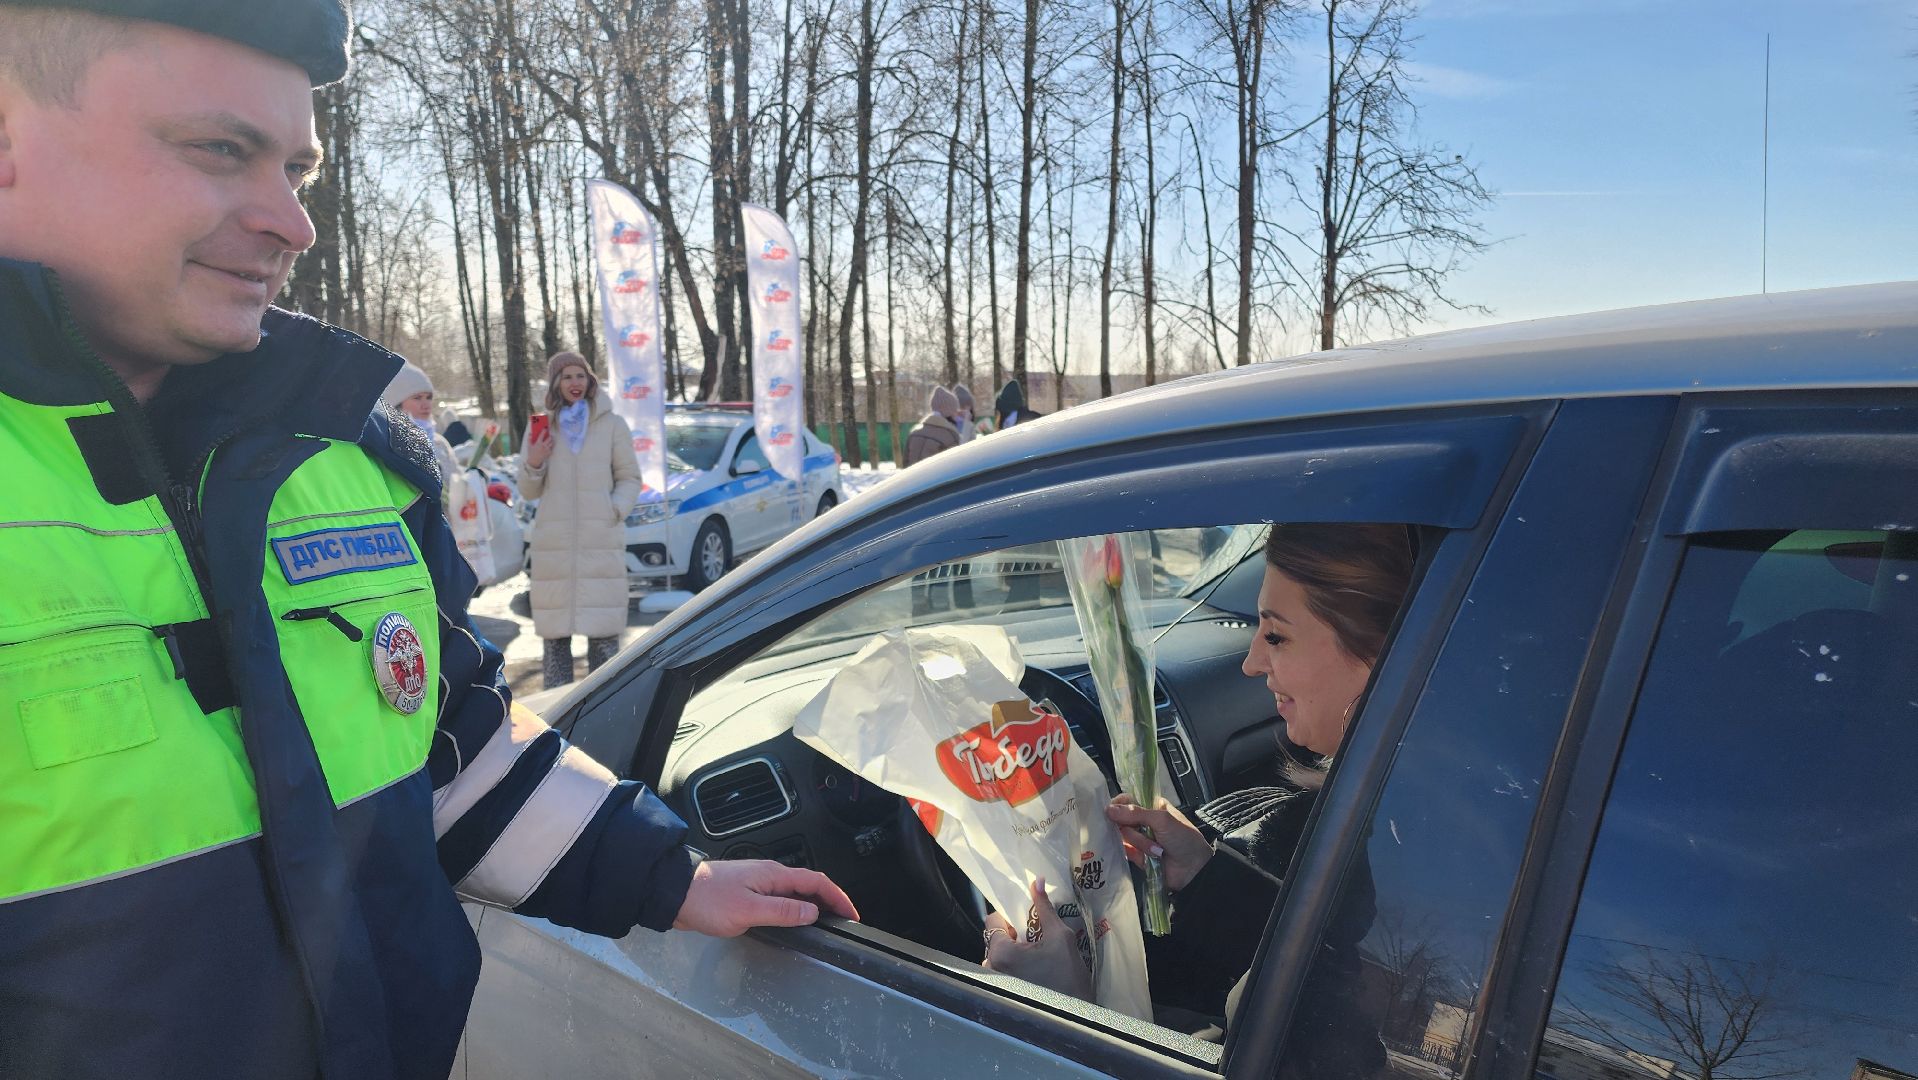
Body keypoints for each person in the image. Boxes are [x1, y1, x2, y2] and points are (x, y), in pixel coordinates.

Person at [0, 7, 854, 1080]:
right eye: (219, 149)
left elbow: (445, 742)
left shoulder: (351, 464)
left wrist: (665, 875)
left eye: (298, 171)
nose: (292, 223)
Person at [984, 523, 1412, 1067]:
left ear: (1379, 651)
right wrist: (1204, 875)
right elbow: (1332, 972)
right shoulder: (1405, 803)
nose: (1251, 662)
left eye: (1276, 636)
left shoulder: (1402, 840)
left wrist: (1069, 1018)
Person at [518, 350, 642, 689]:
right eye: (567, 376)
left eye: (580, 375)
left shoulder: (612, 425)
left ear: (590, 380)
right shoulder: (543, 426)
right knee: (555, 644)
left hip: (600, 543)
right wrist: (535, 460)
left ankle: (606, 708)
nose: (575, 383)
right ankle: (555, 711)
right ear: (556, 383)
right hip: (554, 548)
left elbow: (630, 477)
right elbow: (528, 490)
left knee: (604, 643)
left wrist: (613, 510)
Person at [903, 384, 963, 466]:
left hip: (913, 475)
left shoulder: (914, 433)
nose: (957, 414)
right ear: (949, 412)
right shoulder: (950, 436)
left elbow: (905, 463)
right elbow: (955, 466)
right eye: (955, 411)